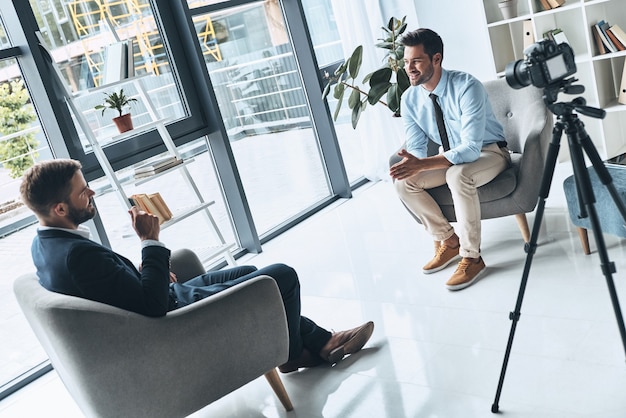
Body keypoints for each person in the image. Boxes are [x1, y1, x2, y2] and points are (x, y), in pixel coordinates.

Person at [20, 159, 374, 373]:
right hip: (175, 316)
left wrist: (153, 273)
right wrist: (149, 242)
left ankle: (321, 341)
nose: (92, 194)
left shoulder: (45, 243)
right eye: (83, 192)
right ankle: (293, 354)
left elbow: (114, 289)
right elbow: (153, 306)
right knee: (281, 275)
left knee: (249, 274)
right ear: (60, 209)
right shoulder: (77, 255)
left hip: (163, 292)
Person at [390, 28, 511, 290]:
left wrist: (423, 163)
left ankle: (472, 257)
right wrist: (414, 164)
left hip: (488, 152)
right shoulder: (410, 98)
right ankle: (448, 240)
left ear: (436, 59)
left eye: (416, 61)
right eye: (406, 61)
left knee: (459, 174)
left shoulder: (467, 86)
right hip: (449, 157)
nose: (409, 68)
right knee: (404, 182)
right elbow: (418, 148)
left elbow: (469, 149)